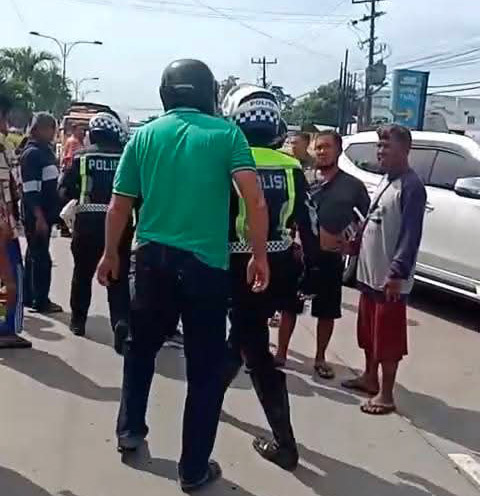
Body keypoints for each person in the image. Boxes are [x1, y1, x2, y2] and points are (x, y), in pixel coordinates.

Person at [96, 59, 269, 492]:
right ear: (207, 92)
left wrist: (110, 253)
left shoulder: (144, 136)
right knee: (205, 370)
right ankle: (192, 470)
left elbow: (119, 205)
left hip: (151, 261)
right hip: (207, 267)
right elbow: (255, 200)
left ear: (166, 93)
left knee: (140, 349)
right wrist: (259, 255)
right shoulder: (227, 135)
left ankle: (129, 430)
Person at [222, 85, 317, 471]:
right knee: (243, 337)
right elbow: (309, 225)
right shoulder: (292, 167)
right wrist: (311, 275)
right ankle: (211, 396)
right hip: (280, 266)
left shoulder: (229, 163)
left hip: (238, 264)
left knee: (256, 351)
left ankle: (285, 444)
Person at [343, 125, 426, 415]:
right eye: (379, 146)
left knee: (388, 340)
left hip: (389, 281)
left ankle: (386, 395)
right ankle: (369, 378)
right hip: (369, 275)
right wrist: (355, 243)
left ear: (405, 149)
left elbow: (410, 235)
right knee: (369, 333)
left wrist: (396, 273)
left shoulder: (412, 187)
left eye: (387, 146)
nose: (380, 152)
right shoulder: (386, 181)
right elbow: (374, 217)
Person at [275, 130, 370, 378]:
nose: (322, 152)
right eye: (318, 147)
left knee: (326, 311)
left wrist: (351, 243)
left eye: (327, 147)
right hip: (299, 256)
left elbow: (366, 217)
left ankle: (320, 358)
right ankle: (281, 353)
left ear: (338, 150)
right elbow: (286, 210)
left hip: (330, 258)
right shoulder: (302, 178)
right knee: (289, 307)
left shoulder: (353, 186)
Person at [58, 112, 131, 345]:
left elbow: (64, 190)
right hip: (120, 225)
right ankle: (120, 322)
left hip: (87, 225)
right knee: (118, 277)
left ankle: (78, 321)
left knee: (82, 274)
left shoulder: (81, 156)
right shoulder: (126, 156)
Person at [20, 112, 62, 314]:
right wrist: (39, 217)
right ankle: (41, 300)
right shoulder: (33, 154)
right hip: (37, 215)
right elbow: (30, 189)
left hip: (44, 214)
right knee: (41, 259)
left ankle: (29, 296)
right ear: (41, 129)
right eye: (52, 129)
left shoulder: (44, 151)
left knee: (34, 255)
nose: (54, 133)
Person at [0, 94, 30, 348]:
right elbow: (7, 190)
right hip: (2, 226)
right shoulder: (2, 148)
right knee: (9, 279)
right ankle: (4, 329)